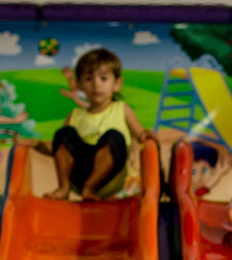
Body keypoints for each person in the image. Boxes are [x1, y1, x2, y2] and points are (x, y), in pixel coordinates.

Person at [25, 48, 154, 200]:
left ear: (117, 83)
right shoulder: (74, 115)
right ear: (79, 84)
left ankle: (90, 188)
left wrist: (146, 134)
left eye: (103, 79)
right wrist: (35, 144)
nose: (96, 84)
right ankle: (64, 188)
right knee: (64, 134)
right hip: (79, 173)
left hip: (110, 177)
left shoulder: (121, 109)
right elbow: (59, 148)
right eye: (88, 79)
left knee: (114, 136)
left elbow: (141, 135)